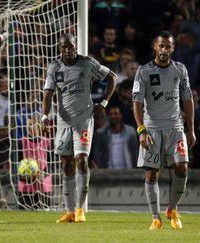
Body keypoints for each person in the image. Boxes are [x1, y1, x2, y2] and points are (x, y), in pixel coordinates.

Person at [42, 33, 116, 223]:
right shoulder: (54, 66)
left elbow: (112, 77)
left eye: (71, 47)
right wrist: (44, 116)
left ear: (76, 47)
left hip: (84, 120)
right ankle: (69, 212)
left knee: (81, 159)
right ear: (59, 49)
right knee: (66, 165)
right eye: (64, 47)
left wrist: (105, 102)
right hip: (63, 121)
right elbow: (48, 94)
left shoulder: (87, 63)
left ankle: (80, 209)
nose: (68, 50)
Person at [132, 30, 195, 230]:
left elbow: (188, 99)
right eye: (161, 46)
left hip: (176, 128)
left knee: (182, 167)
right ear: (155, 46)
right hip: (151, 128)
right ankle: (155, 217)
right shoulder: (143, 71)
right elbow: (136, 102)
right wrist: (141, 130)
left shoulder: (180, 70)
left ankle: (173, 209)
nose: (164, 50)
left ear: (173, 48)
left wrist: (191, 129)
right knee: (152, 173)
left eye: (168, 46)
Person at [18, 114, 52, 209]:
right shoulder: (22, 142)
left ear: (39, 126)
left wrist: (44, 174)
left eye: (31, 124)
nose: (28, 127)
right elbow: (17, 163)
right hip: (26, 186)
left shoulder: (47, 142)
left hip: (43, 185)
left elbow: (51, 163)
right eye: (27, 125)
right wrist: (23, 176)